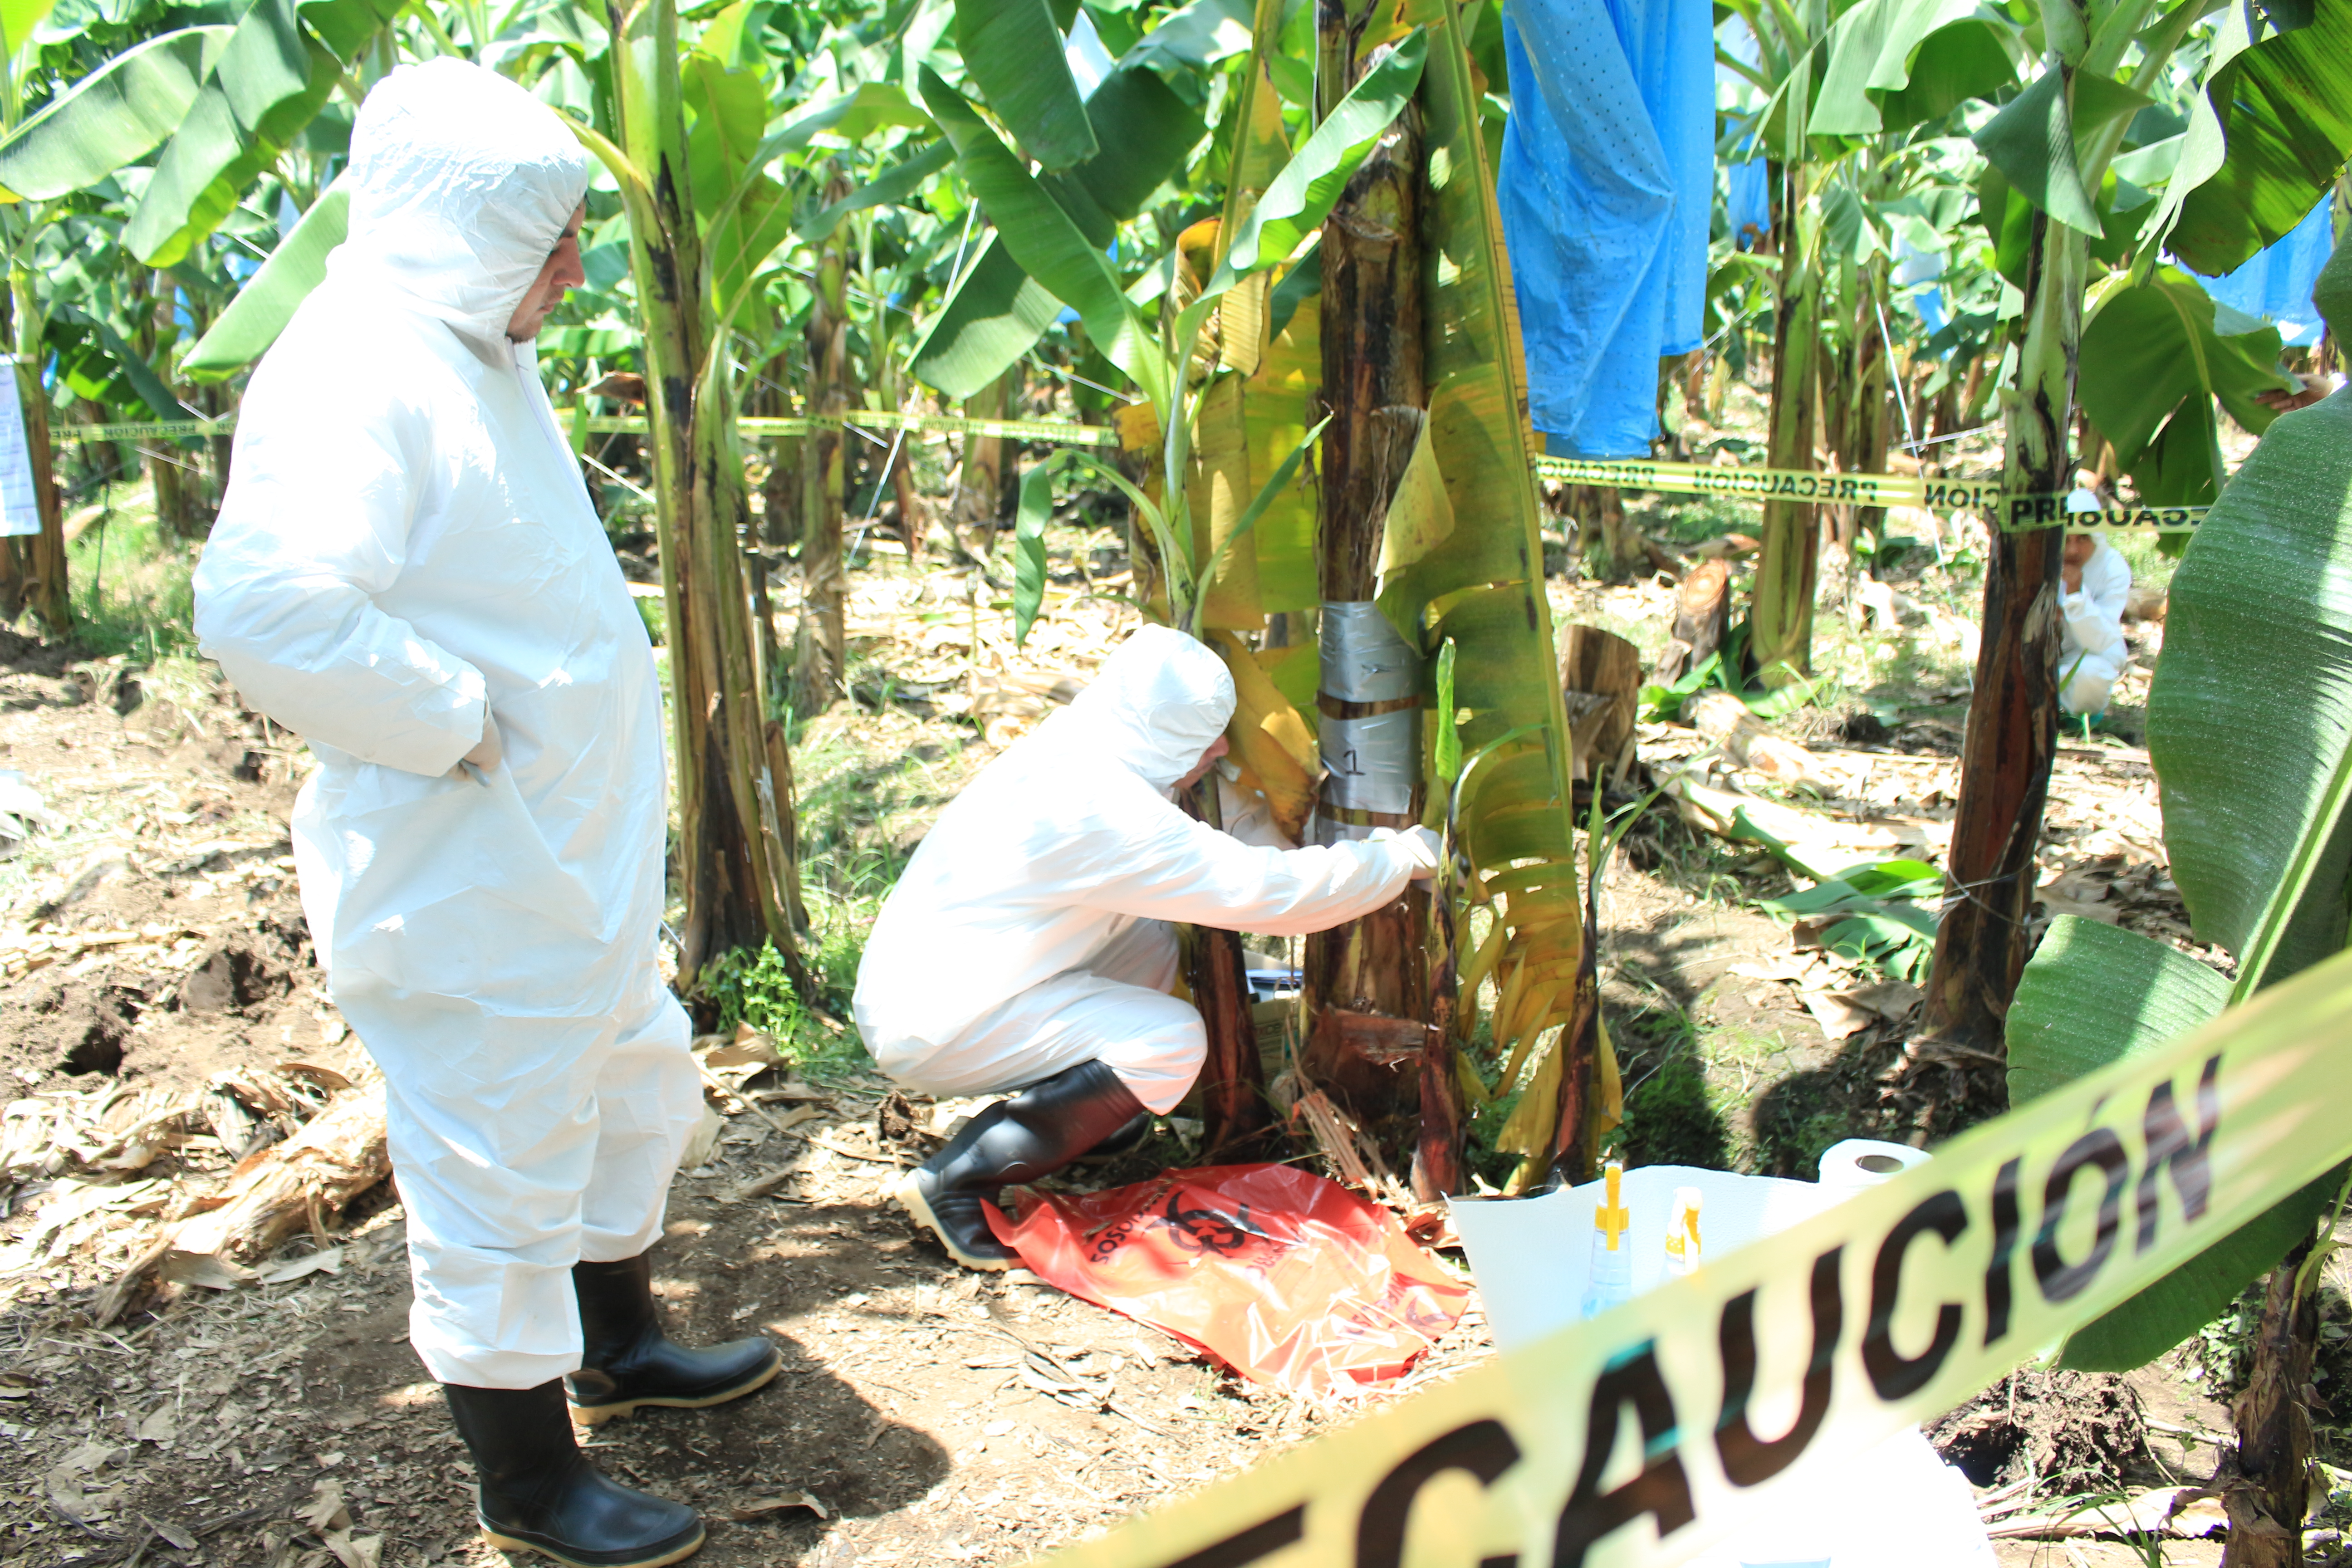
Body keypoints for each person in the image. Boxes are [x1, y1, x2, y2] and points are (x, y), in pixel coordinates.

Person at [193, 61, 768, 1568]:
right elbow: (263, 607)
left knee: (633, 1091)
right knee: (494, 1168)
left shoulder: (463, 331)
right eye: (551, 241)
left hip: (557, 866)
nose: (575, 268)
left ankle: (617, 1341)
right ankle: (527, 1481)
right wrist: (455, 722)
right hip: (469, 872)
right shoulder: (353, 372)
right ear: (460, 235)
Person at [853, 624, 1442, 1269]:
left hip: (942, 981)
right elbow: (1269, 896)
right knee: (1170, 1041)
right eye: (1206, 738)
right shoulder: (1100, 809)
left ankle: (1084, 1121)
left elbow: (1209, 843)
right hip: (932, 1024)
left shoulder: (1084, 746)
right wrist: (1393, 860)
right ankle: (956, 1186)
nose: (1221, 747)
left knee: (1151, 943)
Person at [2058, 530, 2131, 720]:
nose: (2073, 550)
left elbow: (2098, 641)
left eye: (2083, 538)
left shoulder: (2112, 567)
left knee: (2091, 673)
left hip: (2092, 653)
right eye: (2065, 540)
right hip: (2043, 651)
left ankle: (2079, 716)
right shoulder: (2034, 558)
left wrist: (2075, 596)